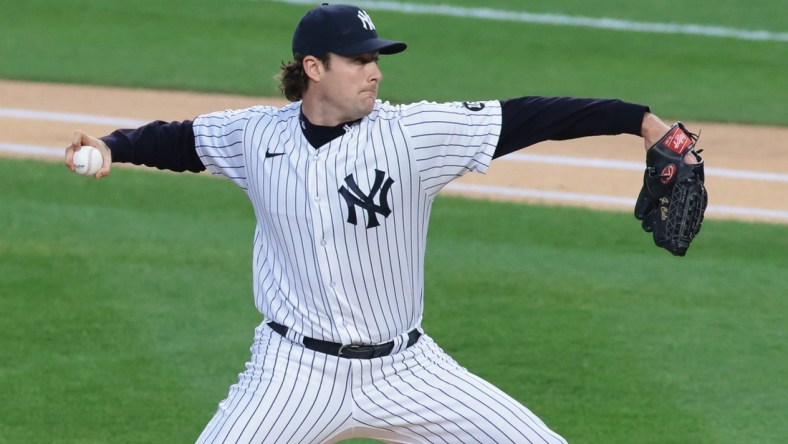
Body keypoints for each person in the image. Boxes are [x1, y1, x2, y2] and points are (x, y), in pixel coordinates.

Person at [65, 4, 695, 443]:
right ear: (314, 68)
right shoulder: (255, 135)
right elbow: (180, 142)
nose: (376, 70)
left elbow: (534, 116)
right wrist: (114, 147)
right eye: (359, 59)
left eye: (378, 57)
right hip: (293, 374)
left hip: (408, 371)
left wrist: (641, 121)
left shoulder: (413, 135)